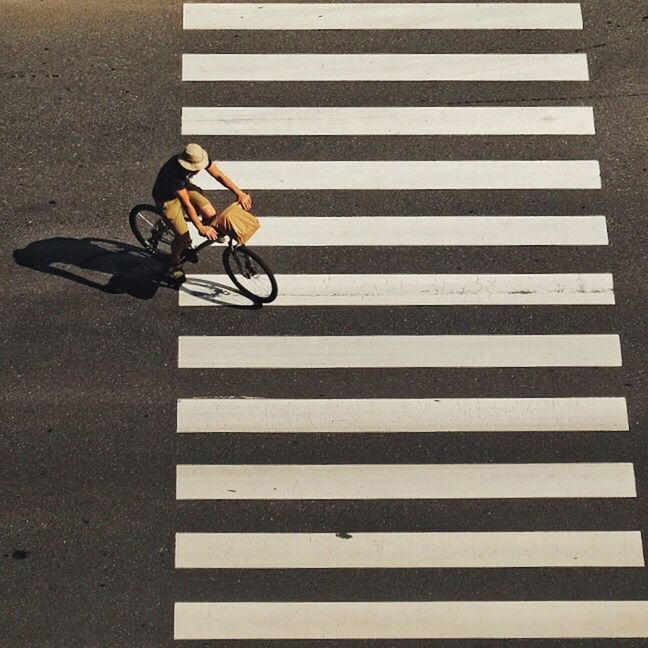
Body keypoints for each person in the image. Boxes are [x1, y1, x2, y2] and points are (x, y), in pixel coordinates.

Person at [152, 143, 253, 284]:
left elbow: (219, 175)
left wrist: (239, 193)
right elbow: (187, 205)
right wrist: (200, 227)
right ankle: (174, 263)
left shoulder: (198, 157)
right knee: (183, 237)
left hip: (184, 188)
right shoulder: (175, 173)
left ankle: (204, 230)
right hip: (167, 198)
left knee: (211, 213)